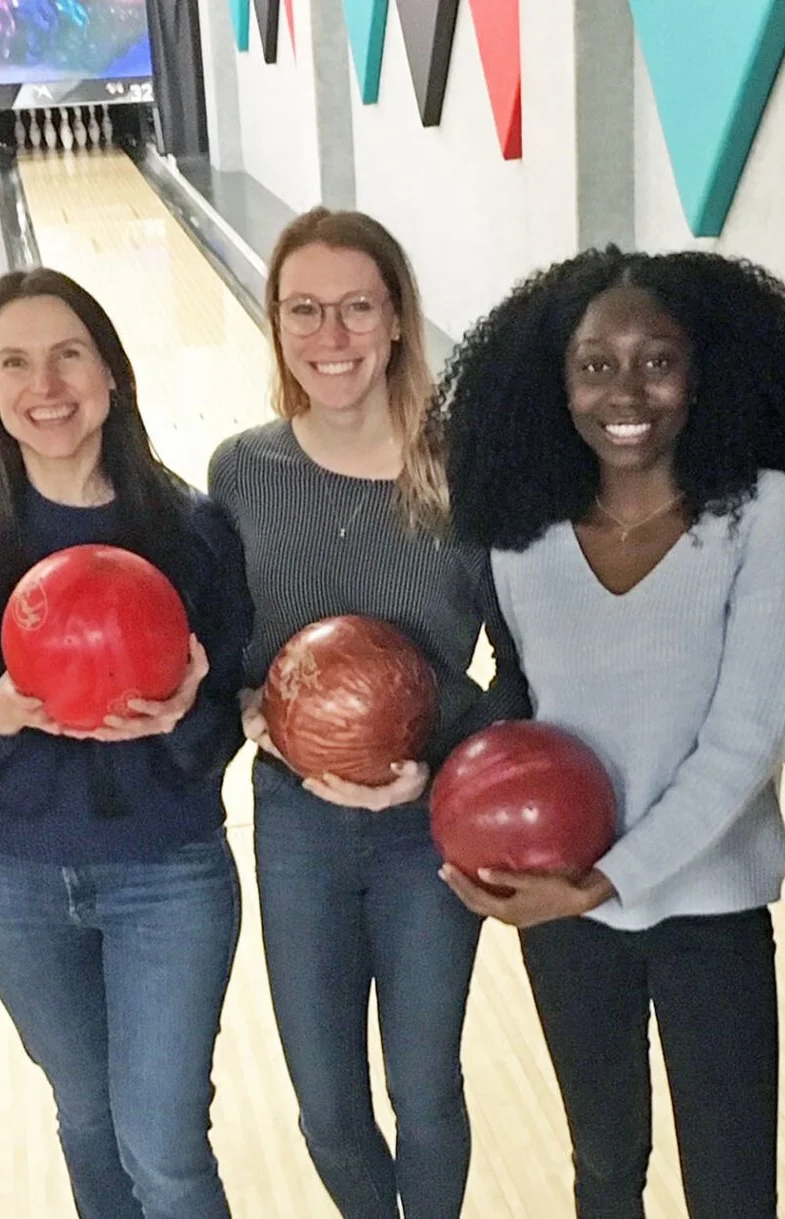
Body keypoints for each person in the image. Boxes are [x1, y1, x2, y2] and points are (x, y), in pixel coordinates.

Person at [437, 247, 785, 1219]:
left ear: (704, 370)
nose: (626, 390)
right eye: (594, 364)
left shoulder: (766, 517)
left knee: (732, 1188)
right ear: (556, 379)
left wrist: (606, 877)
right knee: (604, 1166)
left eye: (657, 359)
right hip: (564, 910)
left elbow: (746, 745)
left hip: (707, 909)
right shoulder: (522, 530)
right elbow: (533, 710)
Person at [207, 207, 528, 1219]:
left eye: (356, 308)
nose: (330, 336)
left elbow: (518, 674)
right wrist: (254, 706)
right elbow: (224, 657)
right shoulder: (242, 471)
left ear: (397, 322)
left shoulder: (463, 472)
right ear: (276, 322)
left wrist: (444, 763)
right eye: (304, 309)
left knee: (425, 1093)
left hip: (427, 821)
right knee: (328, 1110)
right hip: (297, 819)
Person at [0, 268, 252, 1219]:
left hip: (168, 870)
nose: (45, 384)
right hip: (12, 878)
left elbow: (230, 713)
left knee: (167, 1146)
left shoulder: (190, 527)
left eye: (69, 353)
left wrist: (188, 711)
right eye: (13, 362)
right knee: (88, 1119)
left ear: (111, 372)